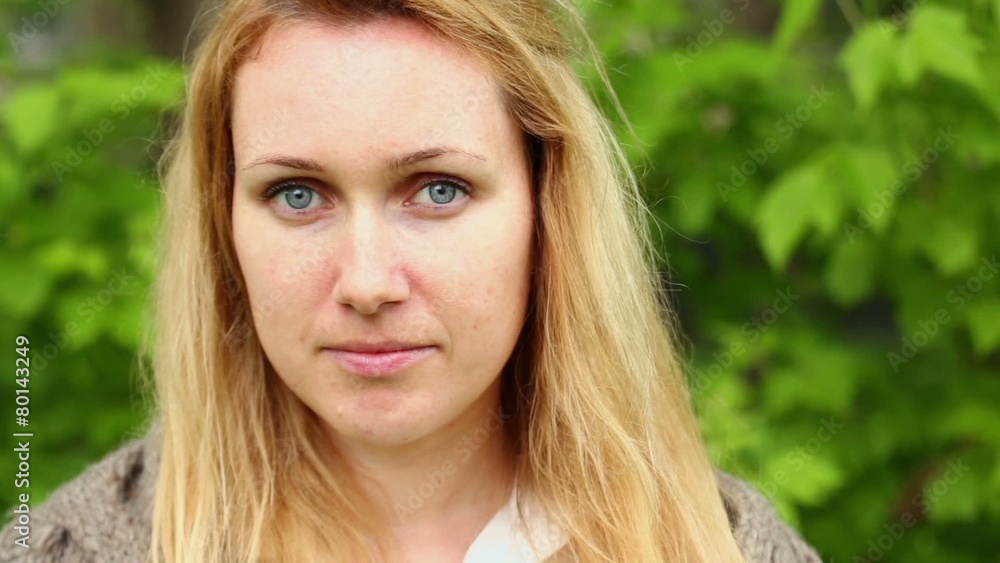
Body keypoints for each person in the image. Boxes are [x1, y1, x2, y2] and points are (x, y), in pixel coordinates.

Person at [1, 0, 823, 561]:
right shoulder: (68, 548)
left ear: (548, 208)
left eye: (438, 189)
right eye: (297, 194)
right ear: (224, 229)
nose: (367, 283)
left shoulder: (726, 547)